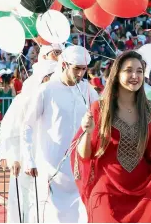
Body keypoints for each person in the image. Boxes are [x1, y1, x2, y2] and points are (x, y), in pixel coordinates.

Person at [71, 51, 151, 223]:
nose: (135, 76)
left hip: (143, 192)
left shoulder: (150, 110)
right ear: (117, 74)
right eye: (128, 70)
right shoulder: (100, 108)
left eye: (139, 71)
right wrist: (87, 132)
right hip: (106, 190)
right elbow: (85, 155)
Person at [21, 45, 98, 222]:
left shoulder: (88, 90)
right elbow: (27, 126)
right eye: (76, 69)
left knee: (82, 215)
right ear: (64, 65)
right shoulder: (46, 90)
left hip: (80, 167)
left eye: (83, 69)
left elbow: (102, 115)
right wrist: (29, 159)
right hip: (51, 167)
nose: (80, 74)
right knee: (52, 216)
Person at [0, 59, 58, 223]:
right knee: (23, 200)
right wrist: (13, 156)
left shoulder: (56, 100)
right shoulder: (23, 99)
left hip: (47, 157)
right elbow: (9, 128)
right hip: (24, 158)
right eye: (51, 76)